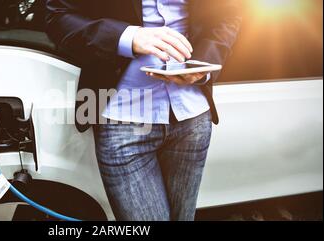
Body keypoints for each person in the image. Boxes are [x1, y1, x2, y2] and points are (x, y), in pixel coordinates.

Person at [46, 0, 242, 221]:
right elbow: (58, 16)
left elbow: (229, 14)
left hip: (192, 116)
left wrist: (203, 64)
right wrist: (126, 37)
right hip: (122, 119)